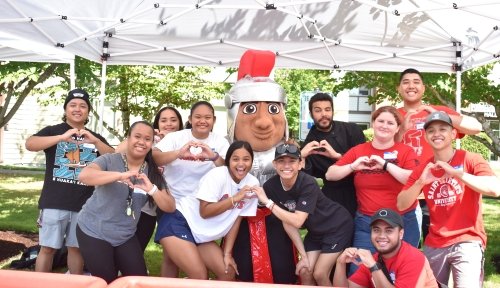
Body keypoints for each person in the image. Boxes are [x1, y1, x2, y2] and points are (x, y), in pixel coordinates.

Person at [397, 111, 500, 287]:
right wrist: (421, 182)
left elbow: (495, 189)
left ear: (453, 133)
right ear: (426, 137)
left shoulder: (470, 159)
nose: (436, 134)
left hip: (468, 240)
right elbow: (401, 204)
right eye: (431, 131)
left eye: (443, 129)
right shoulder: (423, 168)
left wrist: (457, 174)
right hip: (435, 242)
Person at [25, 88, 114, 274]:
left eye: (83, 106)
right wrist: (61, 138)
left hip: (84, 205)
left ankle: (74, 283)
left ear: (88, 111)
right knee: (47, 248)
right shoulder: (53, 131)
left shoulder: (93, 137)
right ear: (65, 109)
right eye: (72, 105)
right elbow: (30, 144)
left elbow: (114, 158)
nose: (77, 109)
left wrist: (96, 142)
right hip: (54, 202)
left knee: (76, 248)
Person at [226, 49, 297, 284]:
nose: (264, 122)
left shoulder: (287, 154)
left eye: (274, 109)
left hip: (278, 218)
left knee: (282, 265)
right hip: (240, 220)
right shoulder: (228, 155)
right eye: (250, 109)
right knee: (242, 266)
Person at [76, 121, 176, 283]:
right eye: (137, 136)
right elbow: (85, 176)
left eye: (147, 139)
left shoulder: (152, 172)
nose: (142, 142)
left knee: (138, 281)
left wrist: (151, 189)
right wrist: (119, 175)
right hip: (93, 230)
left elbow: (170, 206)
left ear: (151, 144)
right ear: (128, 139)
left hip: (124, 235)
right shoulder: (110, 160)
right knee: (107, 281)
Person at [325, 106, 420, 274]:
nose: (384, 125)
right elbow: (330, 174)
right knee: (358, 272)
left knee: (403, 272)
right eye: (380, 121)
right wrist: (353, 166)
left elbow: (413, 179)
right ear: (373, 123)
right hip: (367, 222)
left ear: (397, 128)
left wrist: (385, 165)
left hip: (402, 221)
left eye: (390, 123)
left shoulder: (405, 151)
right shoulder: (359, 150)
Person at [396, 68, 483, 246]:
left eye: (416, 81)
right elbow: (383, 148)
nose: (411, 86)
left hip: (437, 189)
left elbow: (476, 127)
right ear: (398, 88)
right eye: (406, 82)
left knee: (440, 245)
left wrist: (441, 115)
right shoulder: (392, 114)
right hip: (405, 189)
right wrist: (402, 129)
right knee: (404, 248)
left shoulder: (438, 112)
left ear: (424, 88)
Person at [155, 140, 259, 280]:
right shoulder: (218, 175)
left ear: (252, 161)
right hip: (179, 222)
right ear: (228, 161)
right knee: (199, 275)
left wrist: (227, 253)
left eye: (246, 159)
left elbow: (236, 219)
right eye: (235, 159)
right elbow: (205, 212)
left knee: (227, 272)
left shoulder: (253, 184)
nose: (241, 164)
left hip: (201, 234)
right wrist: (235, 198)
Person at [253, 142, 354, 286]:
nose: (286, 166)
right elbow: (287, 221)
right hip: (315, 231)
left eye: (292, 161)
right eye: (281, 161)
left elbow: (298, 221)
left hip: (336, 226)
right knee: (305, 270)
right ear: (274, 164)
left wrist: (268, 203)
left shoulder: (308, 183)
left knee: (320, 273)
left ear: (301, 164)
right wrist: (304, 256)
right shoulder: (271, 186)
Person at [153, 100, 230, 277]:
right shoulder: (176, 137)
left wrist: (213, 157)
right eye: (198, 117)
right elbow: (155, 157)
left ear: (214, 120)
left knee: (226, 271)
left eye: (207, 117)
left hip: (201, 211)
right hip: (175, 207)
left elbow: (229, 171)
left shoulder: (220, 142)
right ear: (190, 119)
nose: (203, 121)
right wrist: (179, 153)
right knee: (171, 258)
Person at [116, 107, 183, 277]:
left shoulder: (185, 144)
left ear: (180, 123)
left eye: (173, 120)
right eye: (164, 120)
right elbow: (118, 151)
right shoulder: (150, 141)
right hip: (140, 202)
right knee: (128, 243)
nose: (169, 124)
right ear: (157, 123)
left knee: (169, 250)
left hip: (168, 202)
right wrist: (148, 135)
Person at [333, 208, 438, 288]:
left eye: (389, 230)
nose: (381, 236)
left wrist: (374, 267)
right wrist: (340, 263)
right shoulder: (373, 259)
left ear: (401, 234)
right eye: (376, 230)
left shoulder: (413, 257)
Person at [301, 92, 366, 218]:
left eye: (327, 109)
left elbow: (364, 163)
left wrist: (336, 156)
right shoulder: (310, 145)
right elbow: (305, 178)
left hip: (360, 191)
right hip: (332, 197)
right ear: (311, 114)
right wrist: (301, 156)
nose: (324, 114)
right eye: (318, 110)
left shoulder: (352, 130)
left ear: (332, 111)